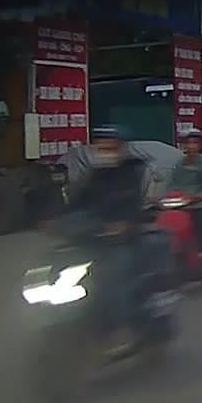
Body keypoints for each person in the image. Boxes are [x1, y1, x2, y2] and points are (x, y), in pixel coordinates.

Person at [68, 126, 148, 353]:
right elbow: (76, 203)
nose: (105, 151)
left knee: (114, 279)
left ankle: (121, 328)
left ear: (121, 148)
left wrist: (124, 223)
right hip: (93, 238)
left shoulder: (133, 173)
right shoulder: (94, 175)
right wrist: (54, 220)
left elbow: (136, 203)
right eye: (101, 147)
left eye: (110, 146)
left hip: (125, 239)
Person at [166, 130, 202, 274]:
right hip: (182, 203)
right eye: (188, 143)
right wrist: (164, 198)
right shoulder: (179, 164)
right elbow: (171, 184)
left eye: (194, 143)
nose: (191, 146)